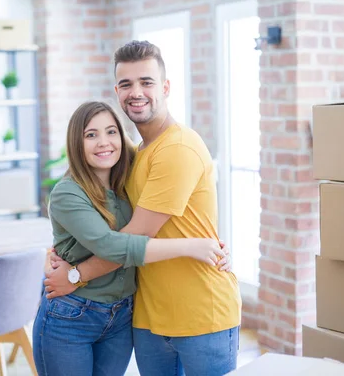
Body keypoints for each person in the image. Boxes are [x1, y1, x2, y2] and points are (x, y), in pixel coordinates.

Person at [44, 41, 242, 376]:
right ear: (117, 92)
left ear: (165, 87)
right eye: (126, 84)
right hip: (148, 316)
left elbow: (132, 236)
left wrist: (75, 276)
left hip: (200, 313)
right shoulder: (132, 154)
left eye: (146, 82)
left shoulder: (177, 148)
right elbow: (102, 215)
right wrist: (61, 248)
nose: (136, 92)